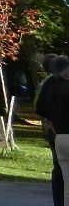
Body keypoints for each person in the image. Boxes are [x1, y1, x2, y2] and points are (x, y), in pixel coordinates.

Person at [37, 55, 69, 206]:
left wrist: (49, 121)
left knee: (59, 170)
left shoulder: (46, 84)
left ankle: (59, 201)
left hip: (55, 133)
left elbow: (39, 108)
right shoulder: (61, 85)